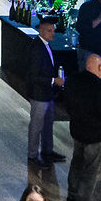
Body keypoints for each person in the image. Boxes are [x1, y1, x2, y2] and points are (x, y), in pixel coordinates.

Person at [65, 52, 101, 201]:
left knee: (76, 162)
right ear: (100, 67)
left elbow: (67, 104)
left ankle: (72, 193)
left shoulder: (72, 79)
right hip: (95, 136)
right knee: (91, 171)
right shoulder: (99, 86)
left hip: (77, 131)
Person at [27, 18, 65, 166]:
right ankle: (32, 155)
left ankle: (47, 151)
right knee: (36, 126)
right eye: (49, 30)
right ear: (41, 30)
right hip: (39, 94)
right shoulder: (36, 49)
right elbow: (33, 76)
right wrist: (53, 80)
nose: (53, 33)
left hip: (47, 93)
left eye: (53, 30)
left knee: (48, 123)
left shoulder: (45, 45)